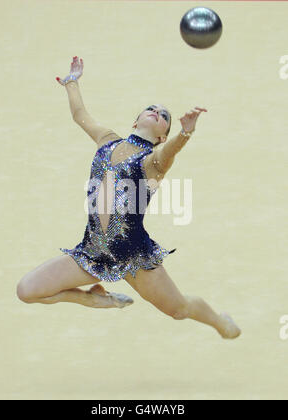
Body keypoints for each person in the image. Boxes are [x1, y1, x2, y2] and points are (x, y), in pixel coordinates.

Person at [17, 56, 241, 339]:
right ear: (135, 120)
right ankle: (93, 299)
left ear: (162, 137)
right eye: (151, 108)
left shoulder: (153, 161)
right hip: (93, 253)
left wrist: (184, 133)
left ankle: (221, 322)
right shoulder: (107, 139)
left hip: (135, 258)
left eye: (165, 117)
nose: (157, 112)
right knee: (26, 291)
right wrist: (72, 82)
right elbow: (79, 114)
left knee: (178, 308)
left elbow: (170, 153)